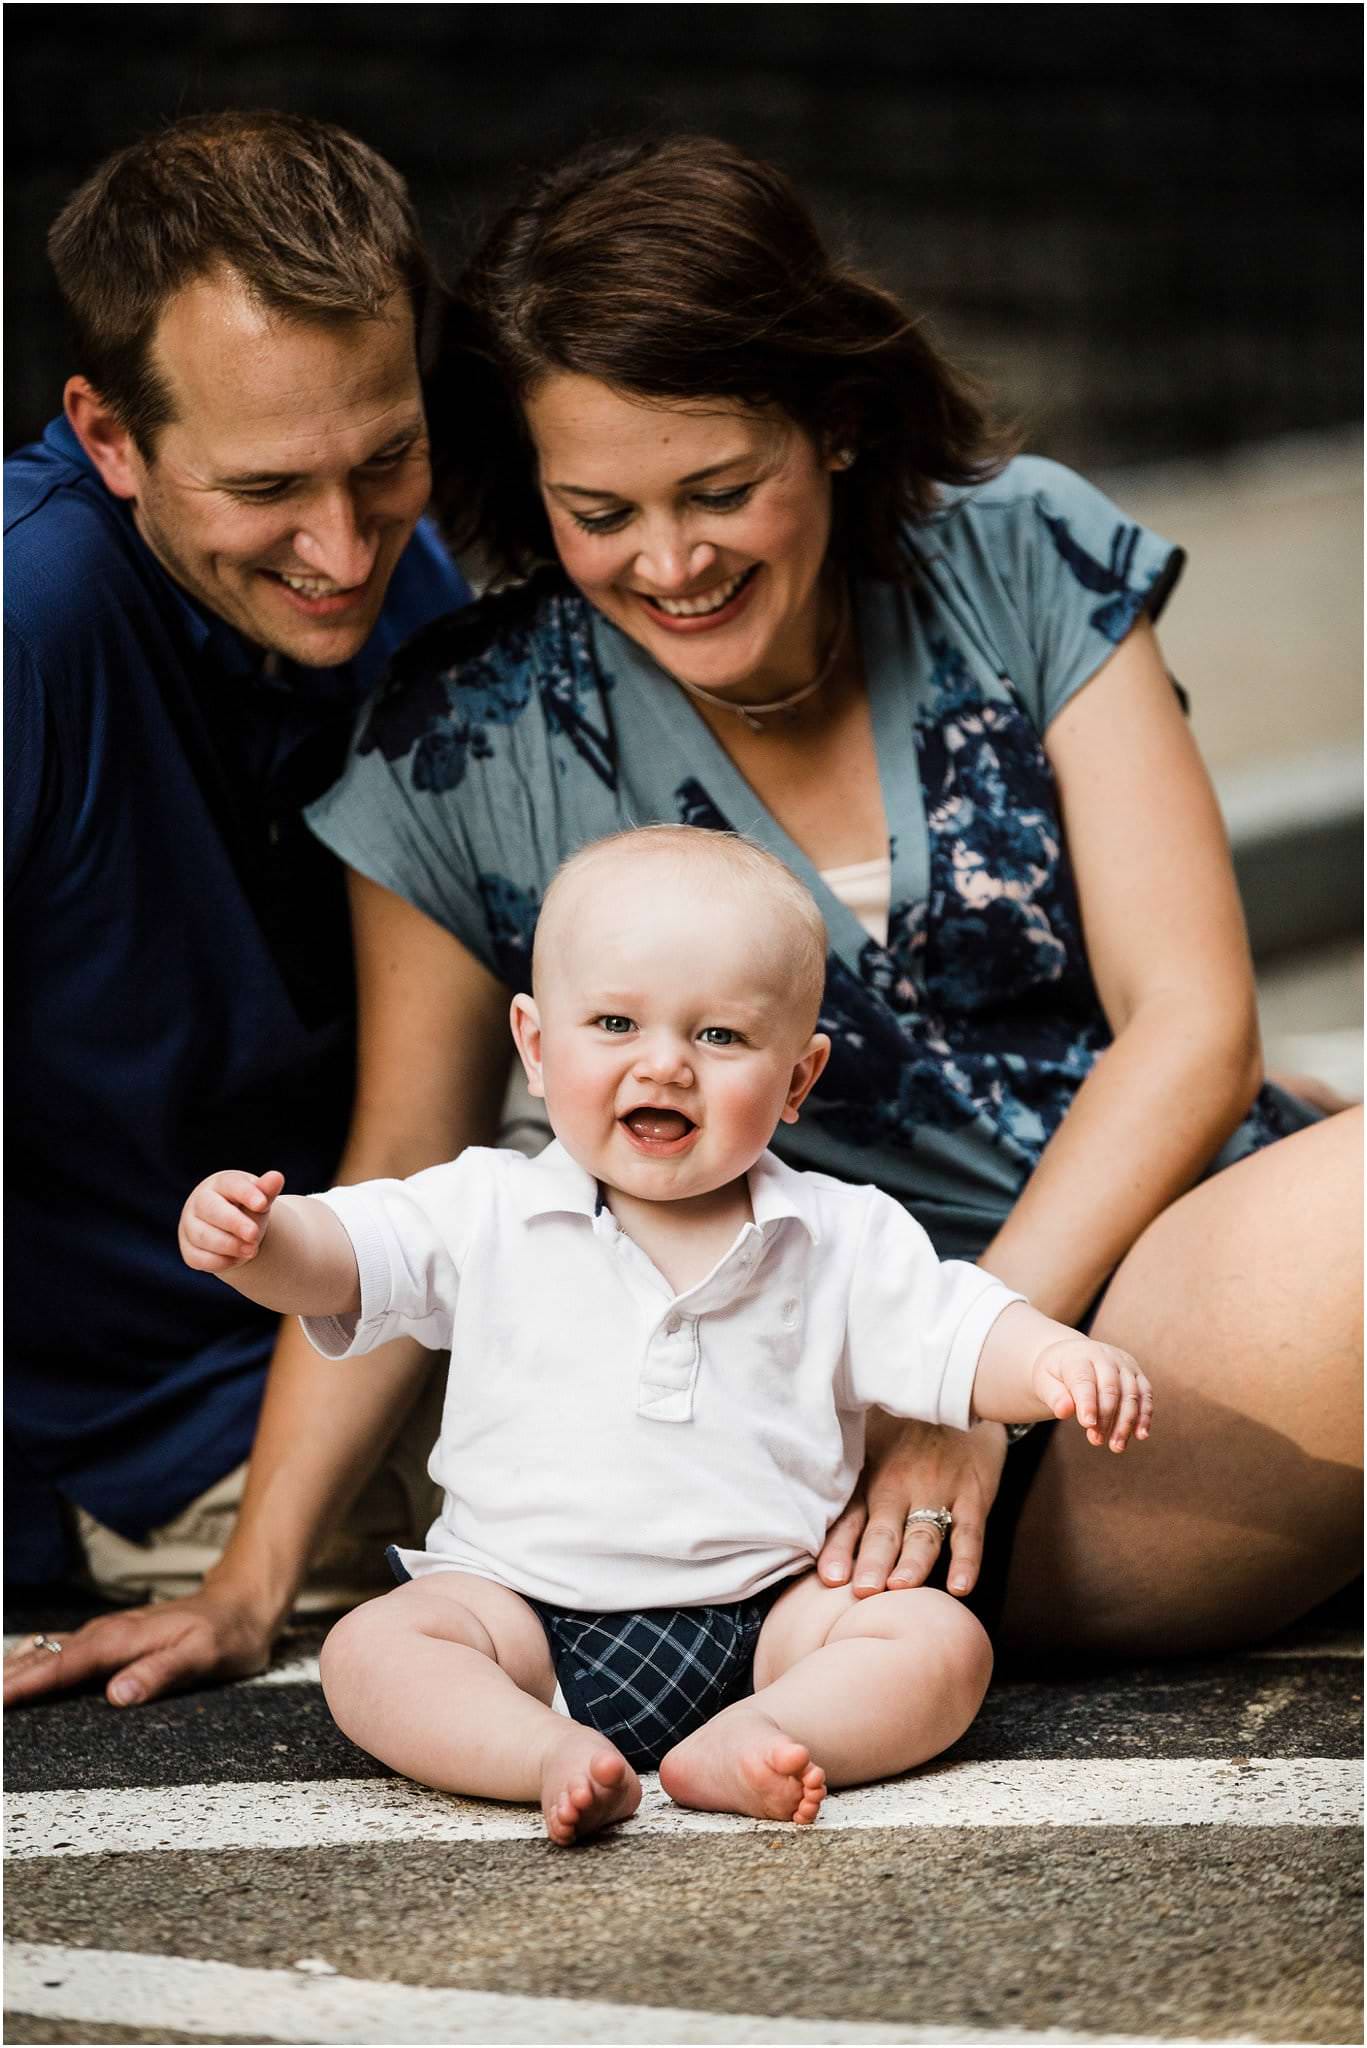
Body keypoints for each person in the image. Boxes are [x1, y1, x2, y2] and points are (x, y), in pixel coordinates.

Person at [14, 132, 1358, 1712]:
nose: (670, 561)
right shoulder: (460, 741)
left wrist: (973, 1385)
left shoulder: (1015, 552)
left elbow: (1191, 1022)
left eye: (720, 490)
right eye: (599, 512)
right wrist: (251, 1585)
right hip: (834, 1464)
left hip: (1115, 1320)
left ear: (833, 421)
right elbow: (396, 1183)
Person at [177, 829, 1153, 1841]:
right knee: (374, 1649)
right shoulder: (485, 1207)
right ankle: (541, 1750)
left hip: (773, 1613)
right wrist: (258, 1237)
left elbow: (955, 1327)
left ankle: (755, 1736)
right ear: (536, 1043)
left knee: (935, 1642)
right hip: (519, 1614)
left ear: (797, 1077)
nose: (664, 1062)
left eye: (719, 1037)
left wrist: (1049, 1360)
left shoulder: (840, 1233)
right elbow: (346, 1256)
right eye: (613, 1021)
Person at [3, 112, 468, 1688]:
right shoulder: (27, 625)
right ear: (112, 434)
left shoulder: (405, 581)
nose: (341, 546)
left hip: (390, 1313)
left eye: (385, 457)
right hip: (149, 1433)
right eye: (268, 484)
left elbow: (415, 1134)